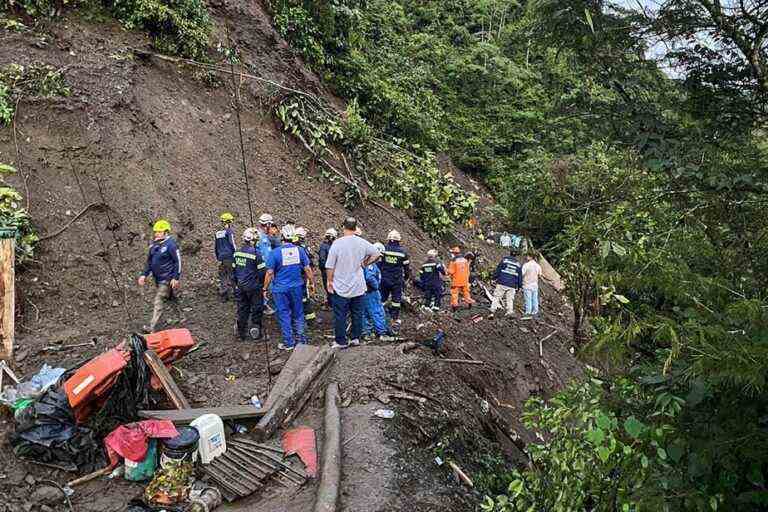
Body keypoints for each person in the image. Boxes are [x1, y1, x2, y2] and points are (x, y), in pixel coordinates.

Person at [325, 217, 381, 349]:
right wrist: (365, 263)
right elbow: (377, 254)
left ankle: (341, 341)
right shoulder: (362, 242)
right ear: (355, 228)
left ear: (343, 227)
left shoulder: (337, 244)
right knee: (357, 313)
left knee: (340, 315)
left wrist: (329, 281)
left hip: (341, 286)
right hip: (358, 286)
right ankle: (355, 338)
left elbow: (330, 266)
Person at [264, 225, 315, 351]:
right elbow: (307, 269)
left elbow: (269, 272)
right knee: (298, 313)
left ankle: (289, 343)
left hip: (280, 289)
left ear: (282, 237)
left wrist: (264, 288)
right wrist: (312, 283)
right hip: (297, 287)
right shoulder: (300, 250)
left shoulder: (275, 252)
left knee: (284, 314)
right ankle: (302, 340)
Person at [138, 219, 182, 333]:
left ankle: (152, 327)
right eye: (156, 231)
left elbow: (178, 262)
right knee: (171, 298)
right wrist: (144, 275)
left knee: (159, 300)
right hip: (157, 279)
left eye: (159, 231)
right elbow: (149, 262)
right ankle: (180, 316)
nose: (156, 233)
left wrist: (175, 277)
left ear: (166, 232)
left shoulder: (171, 244)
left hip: (167, 279)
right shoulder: (154, 245)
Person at [232, 228, 267, 341]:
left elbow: (233, 270)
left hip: (240, 286)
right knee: (257, 308)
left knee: (242, 309)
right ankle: (256, 332)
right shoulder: (256, 254)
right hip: (254, 286)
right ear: (253, 240)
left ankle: (241, 333)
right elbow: (262, 272)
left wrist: (236, 284)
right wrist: (263, 286)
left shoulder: (237, 252)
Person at [362, 242, 395, 340]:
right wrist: (376, 286)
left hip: (363, 292)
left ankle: (367, 333)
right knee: (377, 311)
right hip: (371, 292)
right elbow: (369, 277)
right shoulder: (371, 264)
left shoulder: (364, 261)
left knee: (365, 313)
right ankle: (382, 333)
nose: (380, 258)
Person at [379, 230, 410, 325]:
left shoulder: (383, 249)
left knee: (382, 298)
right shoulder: (403, 252)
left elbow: (379, 263)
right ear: (399, 240)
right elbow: (406, 268)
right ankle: (394, 319)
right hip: (396, 280)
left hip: (384, 279)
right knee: (396, 300)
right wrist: (406, 278)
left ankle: (380, 317)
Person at [490, 250, 522, 317]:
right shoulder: (518, 264)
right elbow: (520, 276)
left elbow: (498, 270)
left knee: (497, 297)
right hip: (512, 284)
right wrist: (519, 286)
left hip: (502, 282)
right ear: (516, 256)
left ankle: (492, 310)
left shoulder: (504, 260)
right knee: (510, 299)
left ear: (510, 253)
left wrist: (493, 278)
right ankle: (509, 312)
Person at [295, 227, 316, 322]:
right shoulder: (303, 249)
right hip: (303, 275)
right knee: (304, 297)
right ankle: (309, 318)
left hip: (295, 276)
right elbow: (309, 264)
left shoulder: (292, 249)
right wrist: (311, 281)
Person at [214, 212, 237, 302]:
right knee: (233, 275)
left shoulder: (217, 233)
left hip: (221, 257)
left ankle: (224, 295)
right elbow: (232, 243)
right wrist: (235, 253)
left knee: (223, 276)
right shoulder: (229, 231)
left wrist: (218, 257)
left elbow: (216, 247)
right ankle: (236, 293)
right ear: (228, 222)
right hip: (230, 256)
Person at [447, 246, 474, 311]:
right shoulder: (465, 260)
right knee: (466, 292)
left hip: (456, 281)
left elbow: (451, 271)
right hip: (464, 280)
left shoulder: (453, 261)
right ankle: (469, 303)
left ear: (454, 253)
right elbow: (468, 271)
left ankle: (455, 307)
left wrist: (446, 271)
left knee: (455, 294)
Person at [317, 228, 337, 306]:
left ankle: (331, 303)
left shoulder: (324, 246)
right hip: (333, 270)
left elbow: (322, 260)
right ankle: (332, 302)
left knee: (329, 287)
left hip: (327, 271)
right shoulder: (333, 246)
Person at [521, 252, 542, 319]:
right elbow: (540, 275)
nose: (526, 258)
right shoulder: (538, 266)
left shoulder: (526, 265)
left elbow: (522, 274)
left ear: (530, 257)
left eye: (527, 256)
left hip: (527, 284)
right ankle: (535, 313)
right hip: (535, 285)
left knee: (528, 299)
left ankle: (528, 313)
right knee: (535, 299)